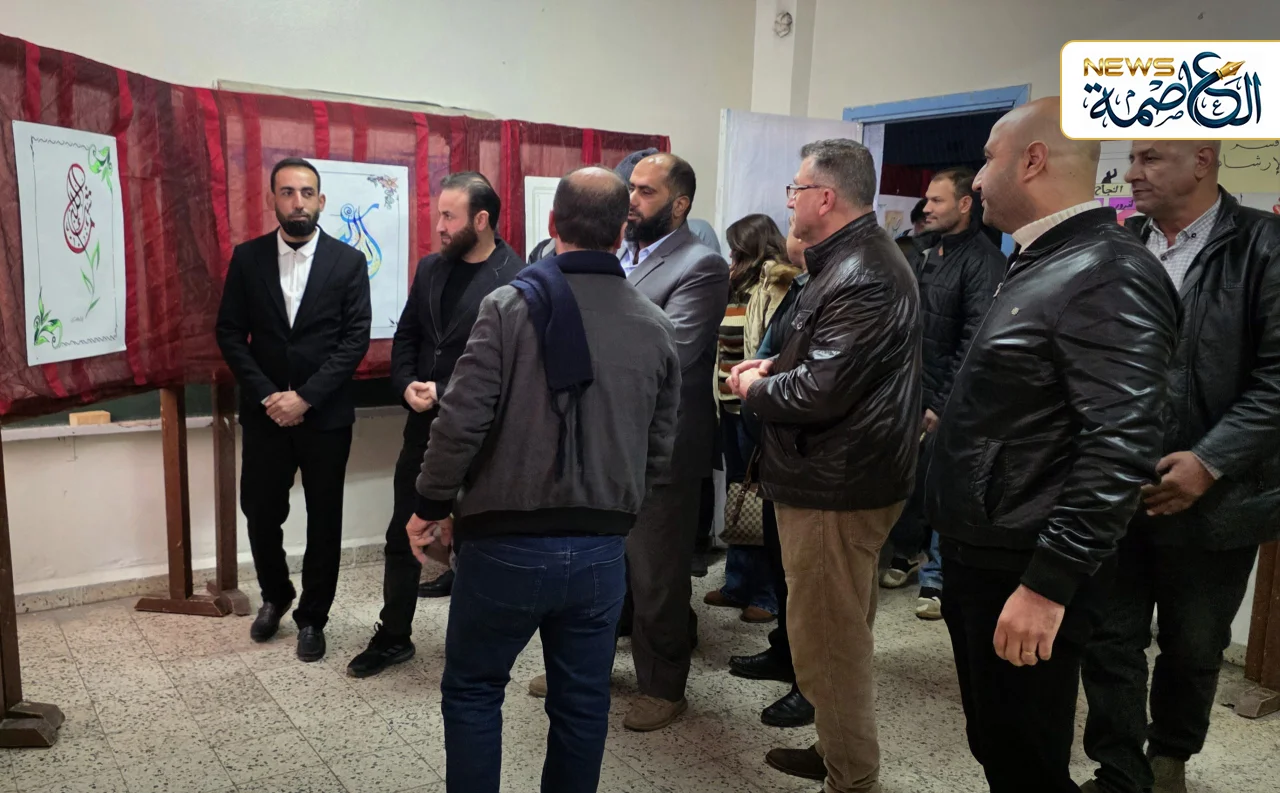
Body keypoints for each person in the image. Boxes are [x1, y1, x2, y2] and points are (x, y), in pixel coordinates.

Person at [924, 98, 1179, 793]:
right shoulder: (1043, 258)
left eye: (988, 158)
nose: (978, 179)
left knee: (1025, 761)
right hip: (986, 546)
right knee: (999, 744)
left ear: (1032, 160)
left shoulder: (1106, 269)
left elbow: (1121, 442)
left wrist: (1047, 582)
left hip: (1025, 557)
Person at [407, 166, 681, 793]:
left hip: (504, 544)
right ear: (622, 231)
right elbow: (658, 449)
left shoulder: (507, 307)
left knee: (474, 690)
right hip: (601, 551)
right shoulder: (656, 326)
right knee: (582, 705)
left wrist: (429, 504)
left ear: (553, 224)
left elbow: (460, 422)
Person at [1080, 141, 1280, 793]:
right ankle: (1120, 770)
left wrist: (1210, 462)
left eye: (1151, 158)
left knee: (1194, 645)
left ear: (1201, 161)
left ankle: (1169, 758)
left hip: (1220, 498)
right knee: (1109, 638)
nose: (1131, 172)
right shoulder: (1118, 248)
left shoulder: (1265, 246)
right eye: (1132, 158)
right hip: (1119, 486)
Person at [730, 138, 920, 793]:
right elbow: (823, 361)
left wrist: (755, 387)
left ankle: (852, 777)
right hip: (838, 473)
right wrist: (773, 365)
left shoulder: (862, 270)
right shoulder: (847, 261)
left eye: (796, 189)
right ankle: (840, 750)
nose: (788, 201)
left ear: (826, 197)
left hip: (836, 483)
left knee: (828, 643)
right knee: (838, 631)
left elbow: (820, 390)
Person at [346, 172, 522, 678]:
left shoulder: (517, 278)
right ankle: (393, 635)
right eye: (438, 214)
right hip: (423, 429)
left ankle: (478, 645)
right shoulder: (430, 269)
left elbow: (512, 367)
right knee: (405, 531)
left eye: (449, 216)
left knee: (479, 542)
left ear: (481, 220)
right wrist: (406, 384)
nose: (439, 226)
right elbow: (408, 337)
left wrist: (444, 390)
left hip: (485, 437)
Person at [215, 157, 372, 662]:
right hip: (264, 414)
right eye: (287, 192)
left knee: (325, 519)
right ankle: (276, 594)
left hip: (324, 415)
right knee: (260, 512)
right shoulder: (248, 258)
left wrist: (305, 397)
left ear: (321, 201)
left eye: (306, 193)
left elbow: (355, 341)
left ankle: (313, 618)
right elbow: (230, 333)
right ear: (272, 200)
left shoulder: (349, 262)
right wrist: (268, 395)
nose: (297, 202)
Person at [880, 167, 1006, 621]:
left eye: (937, 200)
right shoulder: (921, 252)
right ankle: (905, 554)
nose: (927, 208)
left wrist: (941, 401)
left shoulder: (983, 261)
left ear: (965, 204)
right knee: (911, 481)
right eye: (927, 200)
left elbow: (975, 339)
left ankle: (936, 577)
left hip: (951, 400)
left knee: (944, 487)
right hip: (909, 391)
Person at [730, 221, 817, 735]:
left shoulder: (841, 288)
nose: (793, 237)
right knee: (782, 560)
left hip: (810, 456)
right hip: (777, 443)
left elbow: (815, 377)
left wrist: (760, 380)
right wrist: (759, 367)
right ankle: (785, 652)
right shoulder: (802, 289)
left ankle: (812, 687)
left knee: (811, 585)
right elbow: (778, 349)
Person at [704, 214, 800, 624]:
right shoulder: (733, 287)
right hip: (727, 405)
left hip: (756, 407)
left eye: (736, 251)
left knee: (761, 498)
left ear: (752, 248)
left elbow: (776, 347)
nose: (731, 258)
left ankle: (766, 594)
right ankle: (737, 584)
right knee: (739, 494)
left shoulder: (778, 285)